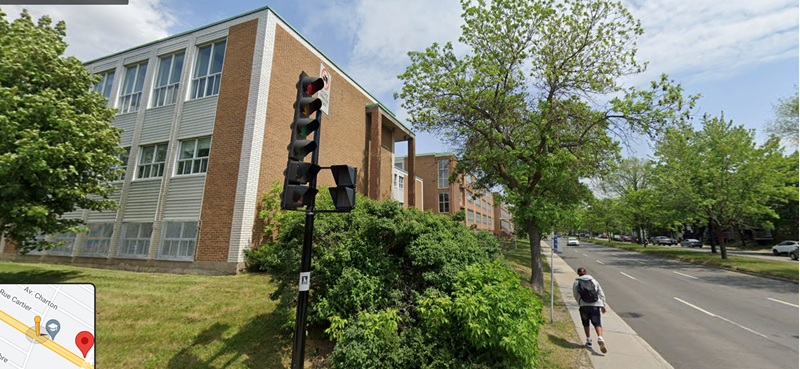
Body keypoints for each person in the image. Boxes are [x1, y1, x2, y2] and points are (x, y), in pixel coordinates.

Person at [573, 267, 608, 353]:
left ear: (578, 273)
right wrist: (603, 305)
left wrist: (580, 302)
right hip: (595, 306)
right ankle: (600, 337)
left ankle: (588, 340)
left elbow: (575, 294)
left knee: (586, 323)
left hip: (584, 306)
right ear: (586, 273)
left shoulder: (577, 282)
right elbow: (601, 293)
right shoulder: (594, 281)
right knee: (597, 323)